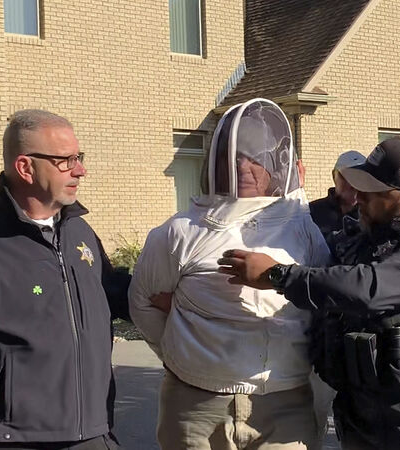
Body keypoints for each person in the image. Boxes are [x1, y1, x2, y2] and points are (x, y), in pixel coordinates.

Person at [218, 137, 400, 450]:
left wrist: (278, 276)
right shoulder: (370, 233)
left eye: (372, 191)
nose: (358, 196)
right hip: (366, 429)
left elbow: (367, 288)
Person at [0, 109, 130, 450]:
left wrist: (181, 290)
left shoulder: (79, 233)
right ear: (25, 167)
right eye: (66, 161)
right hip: (10, 439)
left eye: (79, 157)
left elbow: (115, 293)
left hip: (93, 433)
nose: (80, 170)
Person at [128, 98, 331, 450]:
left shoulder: (304, 231)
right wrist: (182, 357)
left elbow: (322, 301)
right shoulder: (180, 231)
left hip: (286, 403)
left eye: (255, 157)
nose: (242, 166)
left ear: (278, 165)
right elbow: (142, 302)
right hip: (195, 404)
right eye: (234, 157)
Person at [308, 150, 365, 239]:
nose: (352, 184)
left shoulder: (373, 215)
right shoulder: (310, 213)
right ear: (334, 176)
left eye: (359, 177)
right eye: (346, 177)